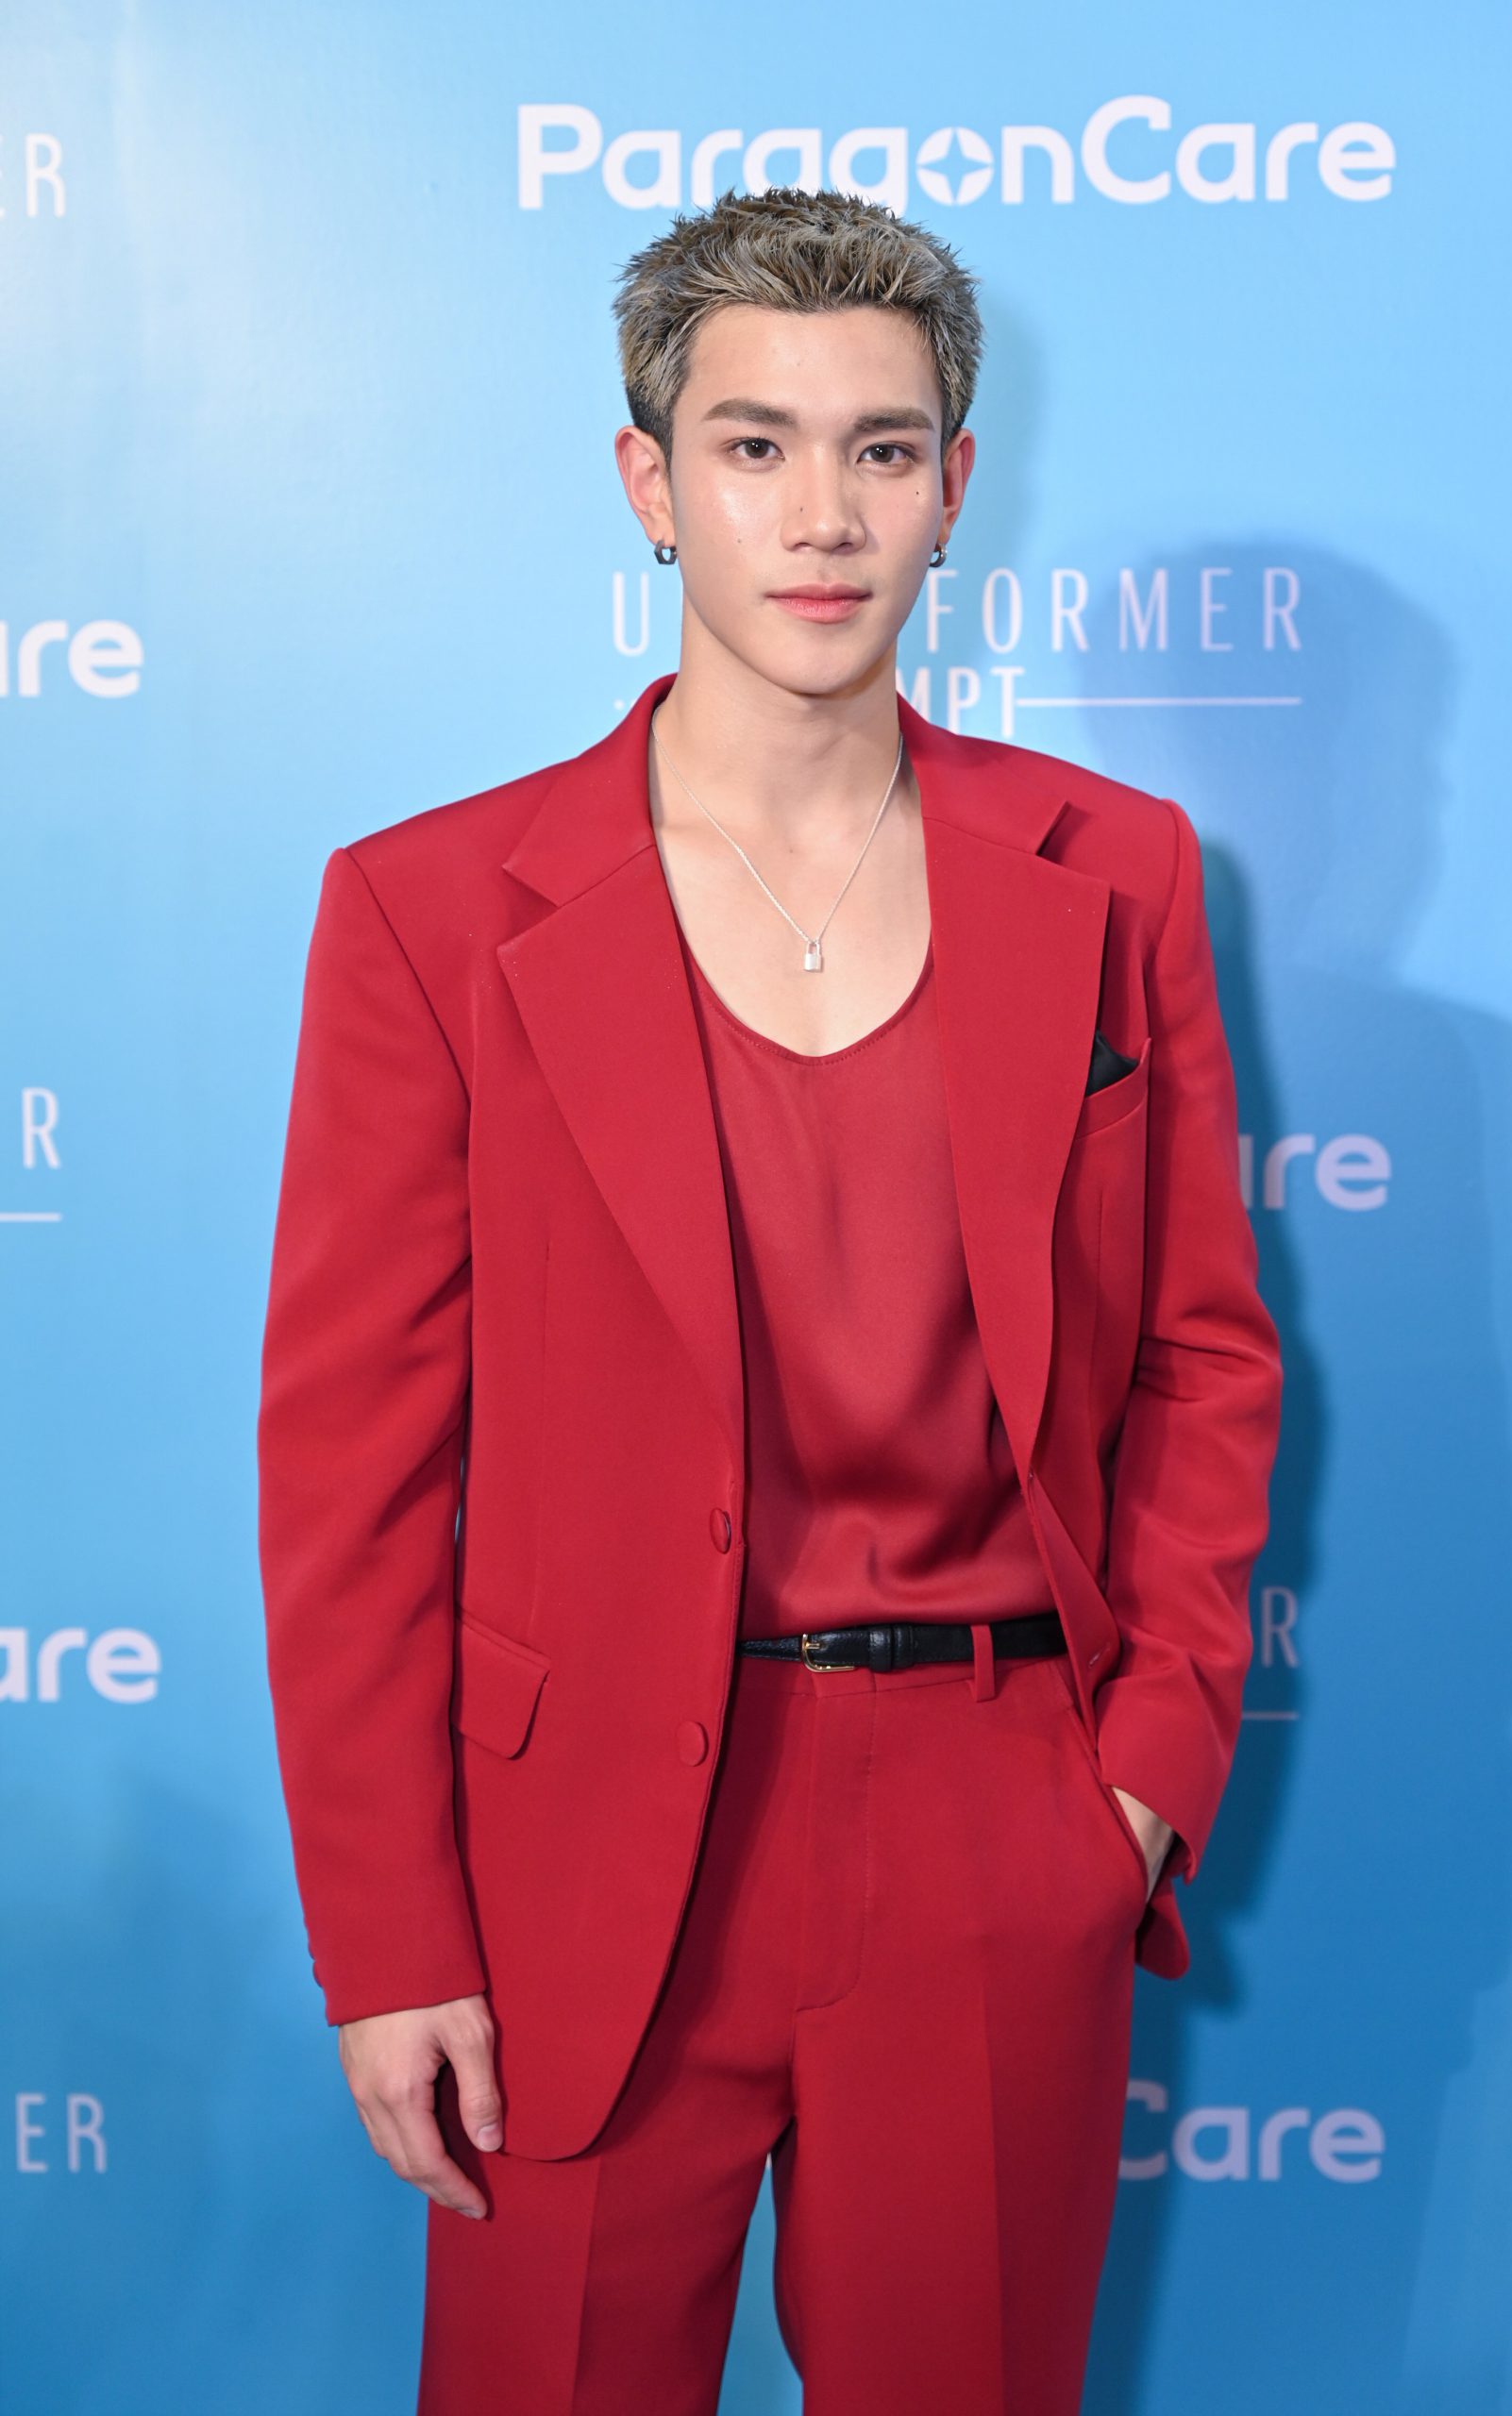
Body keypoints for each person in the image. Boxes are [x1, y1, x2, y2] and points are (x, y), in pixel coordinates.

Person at [257, 184, 1283, 2415]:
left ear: (954, 486)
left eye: (879, 448)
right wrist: (391, 1933)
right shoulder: (428, 911)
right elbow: (351, 1473)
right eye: (753, 446)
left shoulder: (1111, 872)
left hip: (995, 1820)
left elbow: (1203, 1352)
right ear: (649, 481)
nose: (821, 515)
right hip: (579, 1855)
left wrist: (1135, 1774)